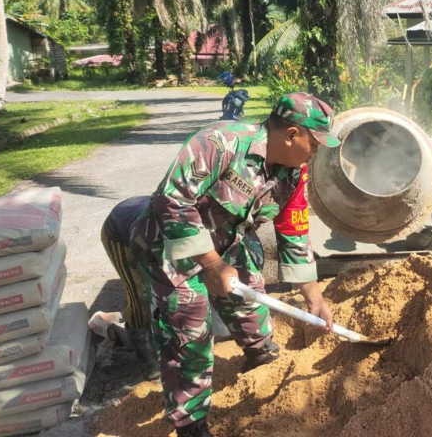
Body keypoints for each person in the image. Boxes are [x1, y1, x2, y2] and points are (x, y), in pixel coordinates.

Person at [132, 92, 339, 437]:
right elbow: (172, 200)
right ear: (291, 135)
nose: (317, 152)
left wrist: (313, 296)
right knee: (190, 332)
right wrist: (211, 265)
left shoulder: (292, 175)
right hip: (168, 245)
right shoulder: (220, 142)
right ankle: (191, 423)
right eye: (315, 143)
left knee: (250, 299)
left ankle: (260, 356)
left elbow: (294, 231)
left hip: (225, 242)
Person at [100, 195, 159, 378]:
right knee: (140, 293)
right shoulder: (151, 231)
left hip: (148, 227)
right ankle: (147, 360)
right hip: (122, 236)